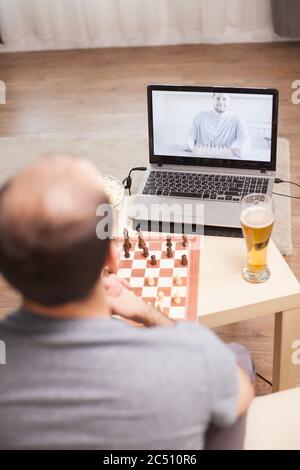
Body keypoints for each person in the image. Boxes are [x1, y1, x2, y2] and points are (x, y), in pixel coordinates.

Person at [0, 155, 254, 450]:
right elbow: (242, 394)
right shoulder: (193, 353)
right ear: (112, 256)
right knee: (237, 357)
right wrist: (148, 314)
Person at [184, 93, 250, 157]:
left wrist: (240, 148)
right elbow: (190, 137)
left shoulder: (238, 119)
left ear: (229, 100)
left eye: (224, 99)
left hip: (226, 162)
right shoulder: (200, 116)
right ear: (213, 99)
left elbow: (246, 141)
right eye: (218, 98)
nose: (221, 102)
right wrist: (190, 145)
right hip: (201, 160)